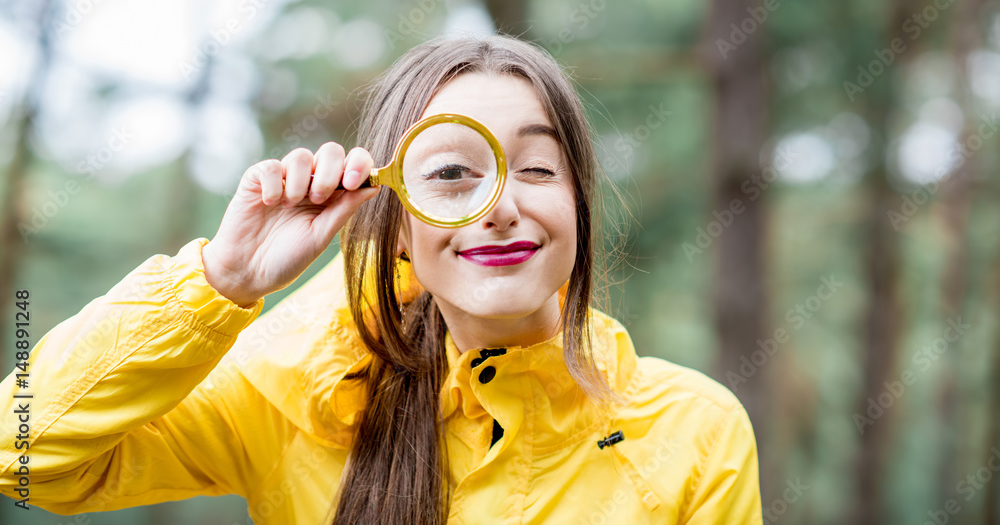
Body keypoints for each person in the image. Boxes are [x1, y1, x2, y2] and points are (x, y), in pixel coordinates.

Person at [0, 35, 763, 524]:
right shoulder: (293, 395)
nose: (500, 206)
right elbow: (23, 452)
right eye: (453, 174)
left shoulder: (694, 430)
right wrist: (219, 278)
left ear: (577, 205)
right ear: (397, 218)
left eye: (535, 167)